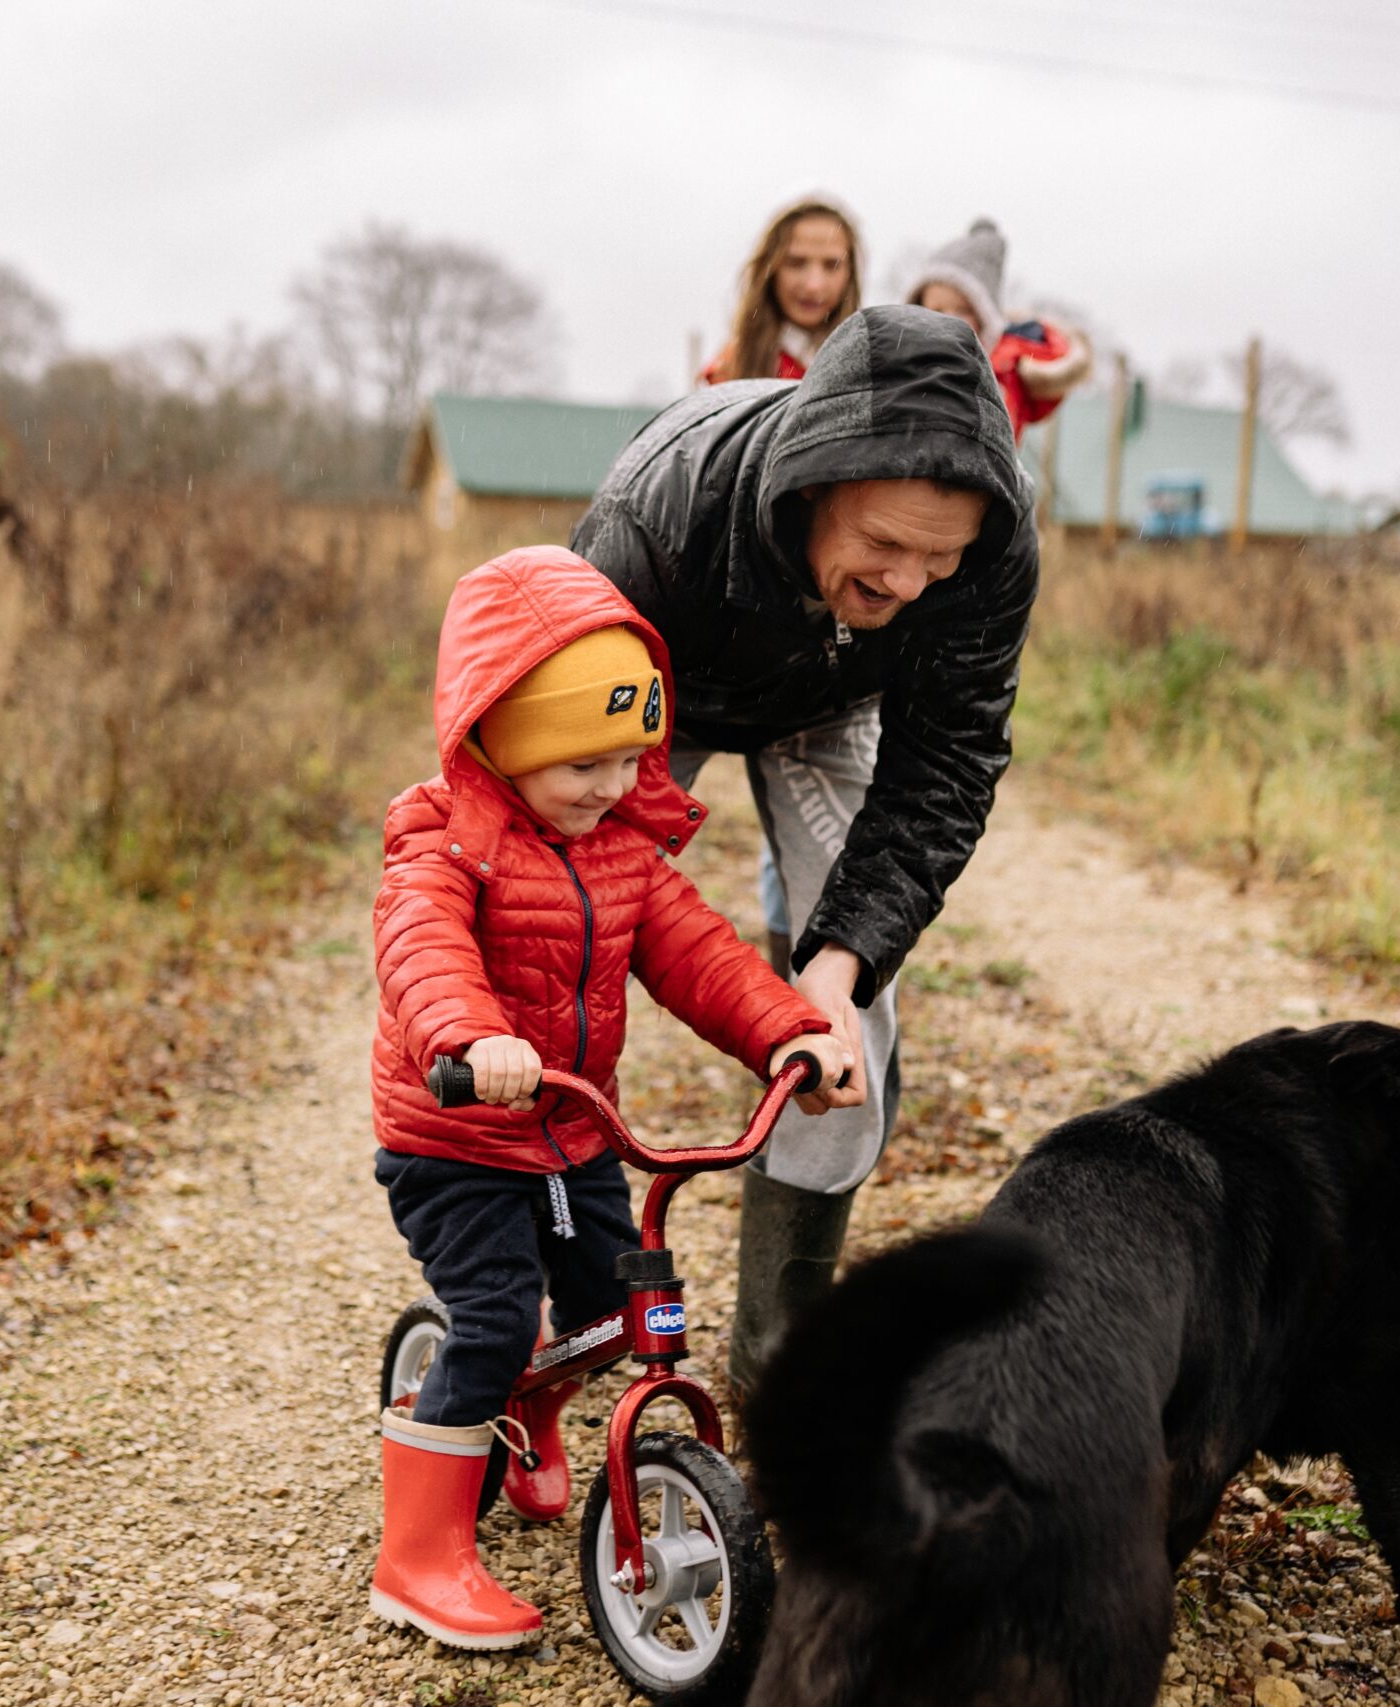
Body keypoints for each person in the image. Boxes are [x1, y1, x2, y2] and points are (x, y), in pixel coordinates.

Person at [366, 545, 859, 1651]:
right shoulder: (442, 849)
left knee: (605, 1311)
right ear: (497, 732)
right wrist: (472, 1036)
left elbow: (700, 956)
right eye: (575, 760)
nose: (605, 785)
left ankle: (531, 1407)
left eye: (624, 757)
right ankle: (418, 1559)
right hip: (457, 1137)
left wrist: (791, 1031)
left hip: (573, 1132)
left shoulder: (623, 853)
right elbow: (422, 957)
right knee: (494, 1319)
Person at [572, 304, 1039, 1400]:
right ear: (813, 483)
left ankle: (775, 1358)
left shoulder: (993, 550)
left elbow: (949, 763)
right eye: (882, 546)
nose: (910, 584)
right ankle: (541, 1277)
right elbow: (542, 744)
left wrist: (834, 966)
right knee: (561, 945)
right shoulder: (658, 519)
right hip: (648, 687)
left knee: (852, 1011)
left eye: (940, 557)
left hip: (830, 702)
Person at [901, 218, 1093, 441]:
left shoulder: (1004, 367)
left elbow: (1050, 366)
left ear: (984, 316)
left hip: (990, 467)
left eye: (962, 310)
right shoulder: (908, 364)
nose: (948, 319)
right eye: (937, 309)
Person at [698, 195, 862, 385]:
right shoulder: (730, 370)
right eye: (795, 263)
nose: (813, 285)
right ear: (769, 270)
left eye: (831, 265)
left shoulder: (874, 365)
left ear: (850, 274)